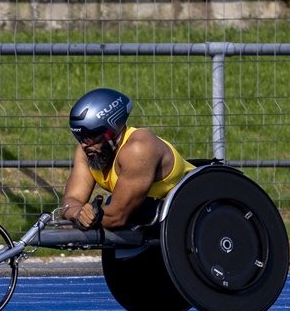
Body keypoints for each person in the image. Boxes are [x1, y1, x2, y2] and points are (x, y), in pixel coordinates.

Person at [60, 88, 195, 230]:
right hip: (153, 214)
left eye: (92, 135)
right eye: (80, 136)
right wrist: (78, 214)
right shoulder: (87, 151)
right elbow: (71, 201)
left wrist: (84, 220)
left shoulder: (138, 149)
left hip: (191, 211)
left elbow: (117, 217)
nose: (84, 144)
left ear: (112, 129)